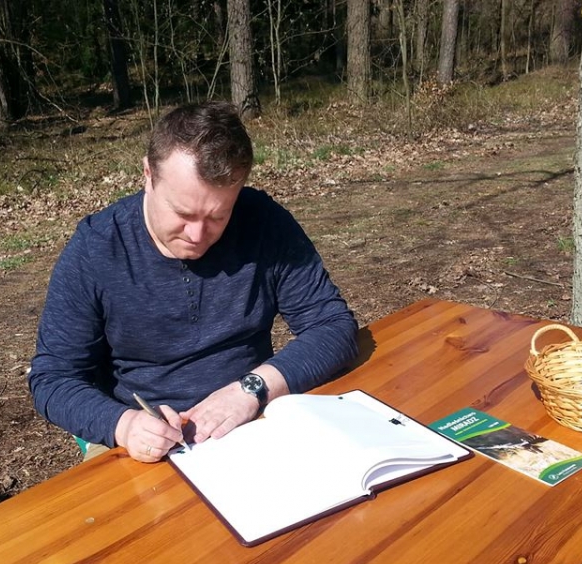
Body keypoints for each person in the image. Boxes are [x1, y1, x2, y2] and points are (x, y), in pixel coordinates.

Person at [29, 102, 358, 463]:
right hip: (143, 444)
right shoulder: (96, 249)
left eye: (218, 216)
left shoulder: (263, 222)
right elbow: (53, 378)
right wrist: (124, 425)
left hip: (256, 417)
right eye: (183, 213)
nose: (198, 234)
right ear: (148, 175)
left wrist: (252, 389)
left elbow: (332, 326)